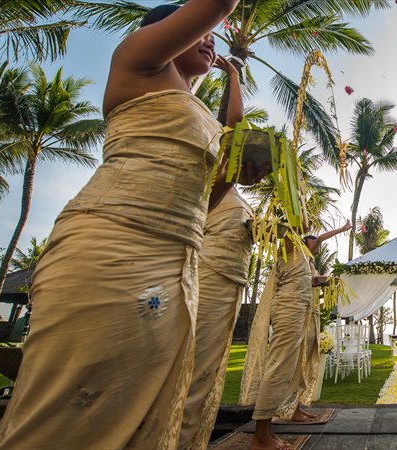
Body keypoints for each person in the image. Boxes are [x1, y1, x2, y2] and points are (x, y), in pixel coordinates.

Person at [0, 2, 272, 448]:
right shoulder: (137, 63)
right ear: (164, 32)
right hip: (115, 241)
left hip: (176, 261)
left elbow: (210, 187)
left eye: (212, 36)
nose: (209, 38)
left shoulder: (196, 110)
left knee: (144, 411)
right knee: (74, 411)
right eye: (200, 31)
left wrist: (234, 170)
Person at [178, 54, 253, 449]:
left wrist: (235, 75)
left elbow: (234, 129)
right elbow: (234, 126)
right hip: (198, 268)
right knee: (185, 364)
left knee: (204, 368)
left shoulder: (224, 184)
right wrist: (232, 75)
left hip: (227, 275)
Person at [238, 233, 315, 450]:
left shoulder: (300, 251)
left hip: (298, 310)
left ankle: (267, 431)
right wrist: (342, 229)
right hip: (288, 310)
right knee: (278, 367)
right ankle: (260, 436)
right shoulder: (290, 241)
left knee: (286, 370)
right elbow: (298, 225)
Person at [276, 222, 352, 423]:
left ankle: (297, 406)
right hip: (299, 314)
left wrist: (323, 285)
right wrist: (342, 230)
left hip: (312, 313)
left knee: (306, 361)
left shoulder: (309, 264)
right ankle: (289, 408)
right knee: (297, 361)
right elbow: (301, 282)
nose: (317, 249)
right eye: (314, 246)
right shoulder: (293, 258)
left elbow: (309, 288)